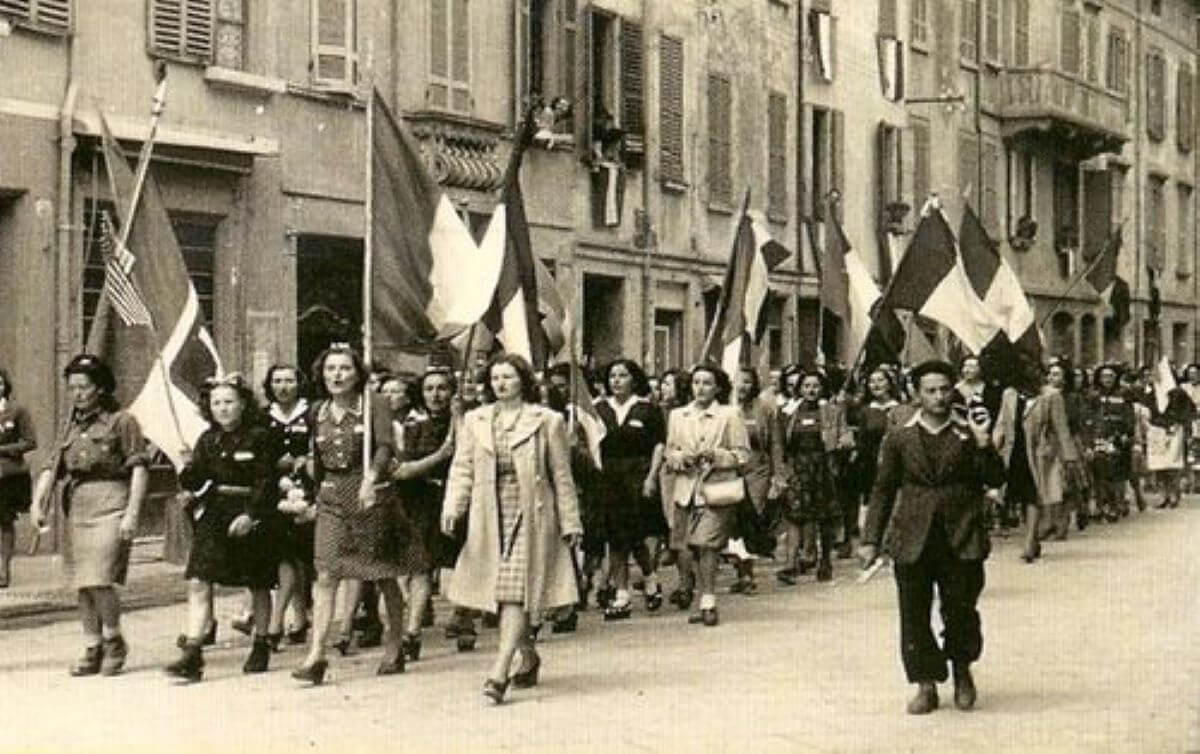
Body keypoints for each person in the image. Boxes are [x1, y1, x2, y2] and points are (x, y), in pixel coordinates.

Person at [860, 359, 1004, 715]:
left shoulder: (968, 432)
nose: (939, 397)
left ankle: (962, 672)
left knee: (961, 610)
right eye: (930, 391)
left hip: (961, 536)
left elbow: (994, 478)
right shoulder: (900, 437)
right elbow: (883, 488)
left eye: (944, 389)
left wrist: (984, 443)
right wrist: (870, 539)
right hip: (912, 537)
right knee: (913, 613)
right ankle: (925, 683)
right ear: (916, 394)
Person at [440, 353, 583, 705]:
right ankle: (528, 656)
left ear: (523, 381)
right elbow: (462, 467)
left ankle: (499, 671)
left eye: (508, 377)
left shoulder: (546, 420)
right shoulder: (475, 420)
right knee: (501, 590)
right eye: (496, 378)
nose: (501, 384)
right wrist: (453, 506)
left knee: (513, 590)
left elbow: (561, 476)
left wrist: (570, 522)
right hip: (489, 514)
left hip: (532, 513)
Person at [292, 344, 407, 684]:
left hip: (369, 492)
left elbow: (385, 446)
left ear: (358, 373)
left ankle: (395, 643)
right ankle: (316, 655)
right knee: (326, 574)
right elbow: (315, 456)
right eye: (331, 369)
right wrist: (310, 495)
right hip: (332, 497)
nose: (337, 375)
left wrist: (371, 479)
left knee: (382, 572)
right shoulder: (318, 411)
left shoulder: (374, 404)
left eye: (344, 368)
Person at [31, 354, 148, 677]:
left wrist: (132, 513)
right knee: (82, 583)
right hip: (79, 503)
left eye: (84, 387)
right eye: (72, 388)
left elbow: (139, 468)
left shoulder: (122, 421)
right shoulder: (69, 425)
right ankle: (92, 645)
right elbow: (51, 467)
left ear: (101, 388)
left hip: (113, 500)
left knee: (99, 578)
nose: (78, 394)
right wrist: (38, 502)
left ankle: (113, 639)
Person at [167, 375, 278, 681]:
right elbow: (197, 480)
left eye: (229, 401)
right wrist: (187, 466)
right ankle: (193, 651)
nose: (223, 408)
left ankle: (261, 643)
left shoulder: (259, 437)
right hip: (216, 514)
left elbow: (266, 482)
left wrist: (251, 515)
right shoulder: (208, 439)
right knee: (199, 579)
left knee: (257, 582)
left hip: (249, 512)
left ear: (243, 404)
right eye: (216, 403)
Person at [663, 364, 750, 626]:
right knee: (688, 547)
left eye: (707, 383)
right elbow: (670, 452)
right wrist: (681, 459)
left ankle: (709, 600)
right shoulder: (678, 415)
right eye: (696, 382)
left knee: (707, 544)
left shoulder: (730, 415)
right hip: (686, 490)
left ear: (718, 387)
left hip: (716, 490)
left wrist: (717, 456)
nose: (700, 388)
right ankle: (700, 595)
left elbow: (743, 455)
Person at [392, 369, 462, 661]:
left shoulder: (465, 420)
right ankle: (412, 632)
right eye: (429, 389)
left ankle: (463, 615)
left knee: (458, 561)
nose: (436, 395)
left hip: (458, 495)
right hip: (422, 500)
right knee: (420, 565)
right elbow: (405, 469)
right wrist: (440, 455)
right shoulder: (413, 426)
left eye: (442, 388)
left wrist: (459, 418)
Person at [594, 359, 667, 620]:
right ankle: (622, 593)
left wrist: (652, 478)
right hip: (609, 477)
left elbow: (659, 445)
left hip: (638, 475)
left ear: (633, 379)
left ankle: (649, 576)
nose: (616, 380)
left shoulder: (647, 409)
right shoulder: (598, 409)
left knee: (636, 535)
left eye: (622, 375)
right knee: (616, 538)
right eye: (612, 376)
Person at [777, 369, 851, 584]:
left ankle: (824, 560)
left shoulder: (832, 411)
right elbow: (781, 441)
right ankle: (790, 563)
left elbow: (844, 434)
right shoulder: (789, 411)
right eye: (807, 386)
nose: (811, 390)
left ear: (822, 388)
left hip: (823, 468)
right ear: (799, 388)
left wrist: (843, 442)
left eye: (816, 386)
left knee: (823, 517)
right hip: (798, 468)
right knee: (794, 515)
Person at [262, 364, 315, 647]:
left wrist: (305, 460)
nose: (283, 387)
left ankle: (296, 615)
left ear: (299, 383)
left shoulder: (311, 413)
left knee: (299, 555)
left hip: (305, 489)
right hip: (274, 491)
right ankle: (283, 618)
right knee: (284, 553)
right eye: (277, 381)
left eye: (289, 381)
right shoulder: (263, 416)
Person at [725, 367, 785, 595]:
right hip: (731, 470)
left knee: (750, 520)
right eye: (738, 381)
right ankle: (740, 569)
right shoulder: (725, 407)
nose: (742, 386)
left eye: (747, 382)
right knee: (732, 522)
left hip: (757, 470)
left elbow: (776, 444)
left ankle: (747, 574)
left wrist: (777, 476)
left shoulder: (765, 409)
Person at [0, 367, 36, 588]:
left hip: (7, 475)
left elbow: (30, 441)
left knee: (4, 520)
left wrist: (3, 450)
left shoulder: (16, 411)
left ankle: (3, 569)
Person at [1087, 365, 1136, 523]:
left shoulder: (1123, 394)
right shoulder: (1094, 395)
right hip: (1099, 437)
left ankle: (1115, 504)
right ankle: (1100, 505)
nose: (1107, 379)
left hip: (1117, 438)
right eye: (1104, 376)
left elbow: (1129, 415)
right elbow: (1089, 416)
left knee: (1115, 474)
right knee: (1098, 472)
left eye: (1110, 376)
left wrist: (1127, 433)